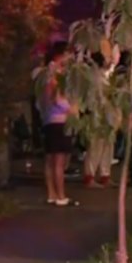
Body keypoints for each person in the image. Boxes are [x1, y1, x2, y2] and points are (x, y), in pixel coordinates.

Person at [39, 42, 80, 206]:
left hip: (50, 119)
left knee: (51, 159)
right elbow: (55, 98)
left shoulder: (48, 73)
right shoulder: (54, 73)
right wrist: (71, 109)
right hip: (59, 120)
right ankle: (60, 195)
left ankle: (52, 194)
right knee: (59, 160)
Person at [82, 51, 119, 187]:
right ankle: (90, 176)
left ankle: (105, 174)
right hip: (97, 114)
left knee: (108, 144)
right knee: (95, 145)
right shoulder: (93, 76)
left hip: (109, 114)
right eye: (107, 58)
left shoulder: (107, 75)